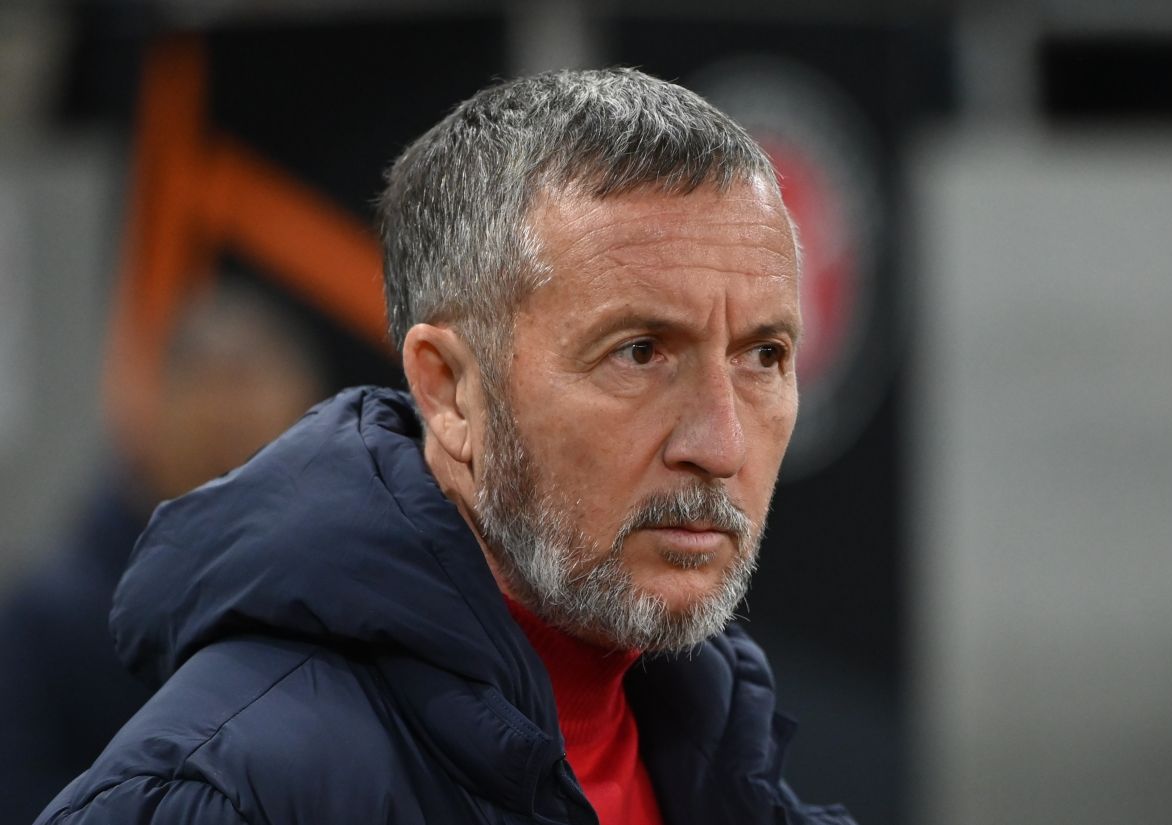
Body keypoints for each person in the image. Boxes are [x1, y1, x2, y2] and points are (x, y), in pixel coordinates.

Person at [35, 68, 856, 825]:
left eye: (764, 355)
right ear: (451, 390)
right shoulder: (225, 796)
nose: (720, 443)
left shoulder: (727, 772)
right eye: (640, 352)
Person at [0, 281, 324, 825]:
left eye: (253, 444)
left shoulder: (340, 609)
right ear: (148, 422)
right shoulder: (47, 620)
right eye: (210, 413)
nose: (230, 460)